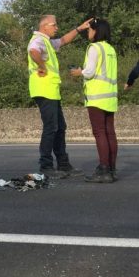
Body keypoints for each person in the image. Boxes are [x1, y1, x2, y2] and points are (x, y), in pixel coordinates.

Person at [28, 15, 93, 178]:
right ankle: (46, 166)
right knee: (51, 128)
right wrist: (41, 65)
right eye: (54, 25)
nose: (57, 28)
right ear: (44, 27)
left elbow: (63, 40)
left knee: (60, 127)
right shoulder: (38, 40)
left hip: (51, 90)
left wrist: (79, 28)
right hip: (43, 89)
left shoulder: (47, 42)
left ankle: (63, 164)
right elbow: (33, 51)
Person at [69, 19, 118, 183]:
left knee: (99, 133)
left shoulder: (94, 48)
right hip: (110, 96)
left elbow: (89, 72)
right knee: (110, 132)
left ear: (96, 31)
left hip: (97, 96)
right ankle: (111, 168)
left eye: (89, 30)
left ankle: (103, 169)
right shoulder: (111, 49)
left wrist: (78, 72)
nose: (88, 33)